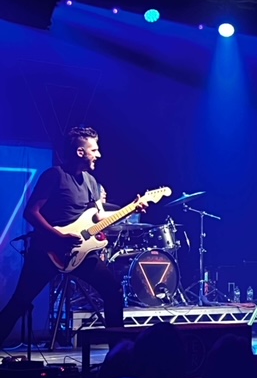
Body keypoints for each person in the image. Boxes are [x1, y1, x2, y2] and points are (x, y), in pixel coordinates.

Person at [0, 126, 147, 346]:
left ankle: (118, 354)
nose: (99, 154)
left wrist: (131, 209)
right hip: (47, 251)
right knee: (19, 303)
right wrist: (57, 237)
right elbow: (30, 212)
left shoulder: (91, 182)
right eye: (94, 150)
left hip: (80, 252)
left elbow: (99, 217)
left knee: (113, 291)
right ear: (80, 152)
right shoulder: (54, 176)